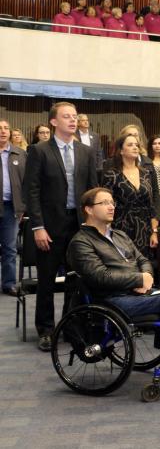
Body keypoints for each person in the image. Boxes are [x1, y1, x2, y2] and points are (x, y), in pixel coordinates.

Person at [68, 187, 160, 382]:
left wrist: (147, 277)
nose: (111, 207)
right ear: (89, 210)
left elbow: (143, 260)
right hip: (112, 299)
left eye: (112, 203)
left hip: (136, 292)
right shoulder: (81, 242)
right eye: (104, 203)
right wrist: (137, 280)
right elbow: (100, 276)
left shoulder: (119, 235)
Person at [24, 102, 98, 351]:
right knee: (46, 280)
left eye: (75, 117)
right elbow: (31, 191)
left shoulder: (86, 152)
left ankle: (71, 325)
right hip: (50, 225)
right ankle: (46, 329)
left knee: (76, 279)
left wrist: (92, 225)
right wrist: (37, 227)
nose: (73, 120)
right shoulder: (39, 150)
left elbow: (92, 191)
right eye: (67, 117)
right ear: (53, 122)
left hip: (79, 225)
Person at [101, 134, 159, 259]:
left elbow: (151, 206)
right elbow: (104, 206)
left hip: (144, 230)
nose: (135, 147)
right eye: (130, 145)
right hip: (120, 230)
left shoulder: (145, 173)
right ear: (121, 150)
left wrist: (154, 232)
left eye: (136, 145)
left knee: (145, 269)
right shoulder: (112, 175)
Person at [0, 120, 26, 295]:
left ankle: (9, 283)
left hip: (11, 207)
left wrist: (23, 206)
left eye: (6, 128)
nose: (3, 131)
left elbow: (27, 182)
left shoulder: (20, 154)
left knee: (10, 247)